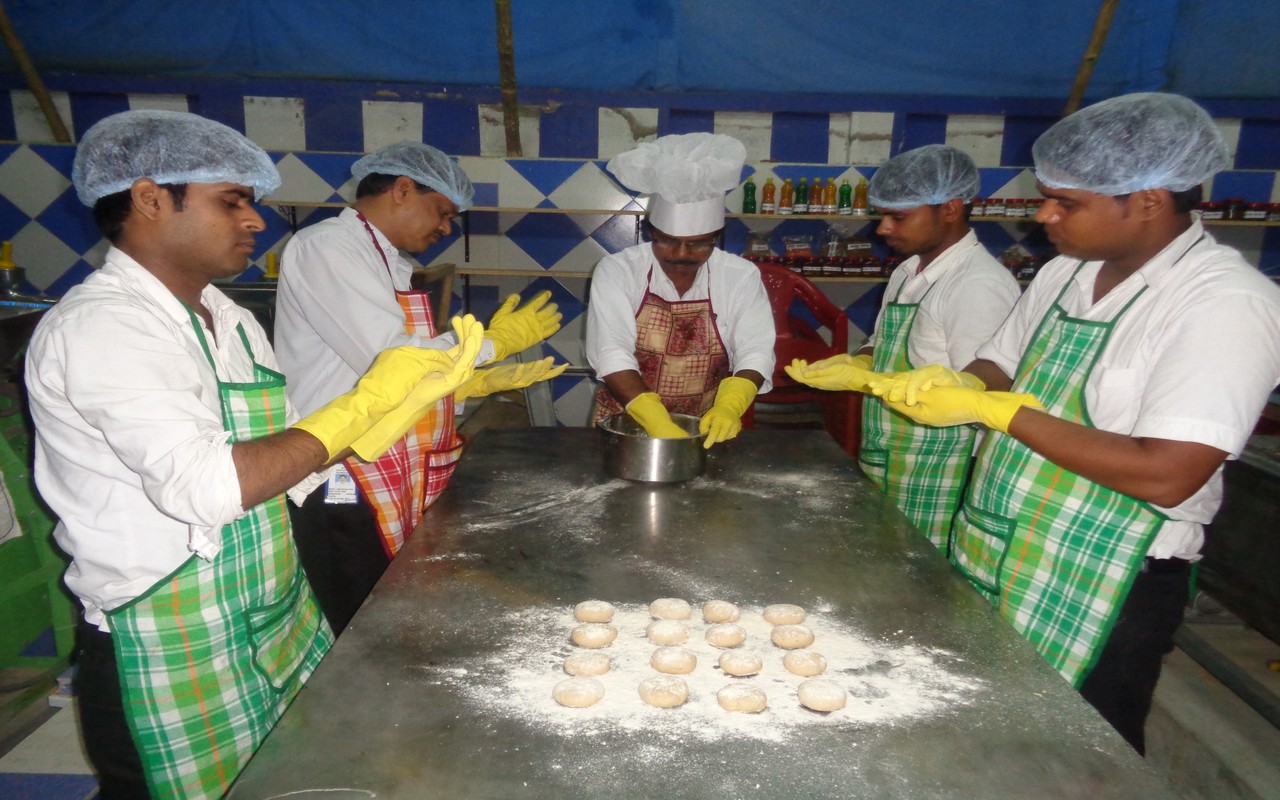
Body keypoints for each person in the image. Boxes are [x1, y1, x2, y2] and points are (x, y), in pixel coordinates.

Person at [26, 110, 484, 799]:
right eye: (231, 201)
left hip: (267, 610)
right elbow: (208, 488)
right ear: (150, 199)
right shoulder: (104, 326)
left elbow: (291, 455)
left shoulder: (230, 319)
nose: (255, 220)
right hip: (167, 634)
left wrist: (387, 416)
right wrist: (362, 404)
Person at [870, 93, 1280, 754]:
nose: (1043, 215)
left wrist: (996, 411)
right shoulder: (1064, 274)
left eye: (1066, 202)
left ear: (1147, 200)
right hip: (1004, 539)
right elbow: (1000, 362)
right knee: (989, 736)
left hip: (1109, 571)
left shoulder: (1225, 304)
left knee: (1083, 758)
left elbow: (1168, 473)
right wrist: (960, 385)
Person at [275, 141, 563, 633]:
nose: (447, 228)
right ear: (403, 189)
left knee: (390, 607)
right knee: (359, 621)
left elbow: (401, 373)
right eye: (444, 212)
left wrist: (468, 385)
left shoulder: (386, 259)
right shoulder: (327, 247)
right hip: (339, 469)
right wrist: (492, 343)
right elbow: (392, 359)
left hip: (383, 455)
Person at [785, 145, 1020, 547]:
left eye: (898, 217)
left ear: (950, 208)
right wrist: (859, 364)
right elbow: (882, 343)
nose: (882, 229)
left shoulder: (978, 285)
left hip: (943, 467)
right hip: (890, 451)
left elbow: (988, 387)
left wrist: (961, 391)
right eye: (883, 216)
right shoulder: (908, 271)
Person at [585, 132, 775, 448]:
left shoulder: (740, 276)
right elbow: (610, 350)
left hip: (704, 427)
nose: (681, 254)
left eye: (698, 244)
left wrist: (731, 404)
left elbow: (755, 349)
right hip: (625, 422)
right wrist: (655, 419)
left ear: (716, 237)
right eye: (668, 241)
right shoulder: (618, 270)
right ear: (650, 232)